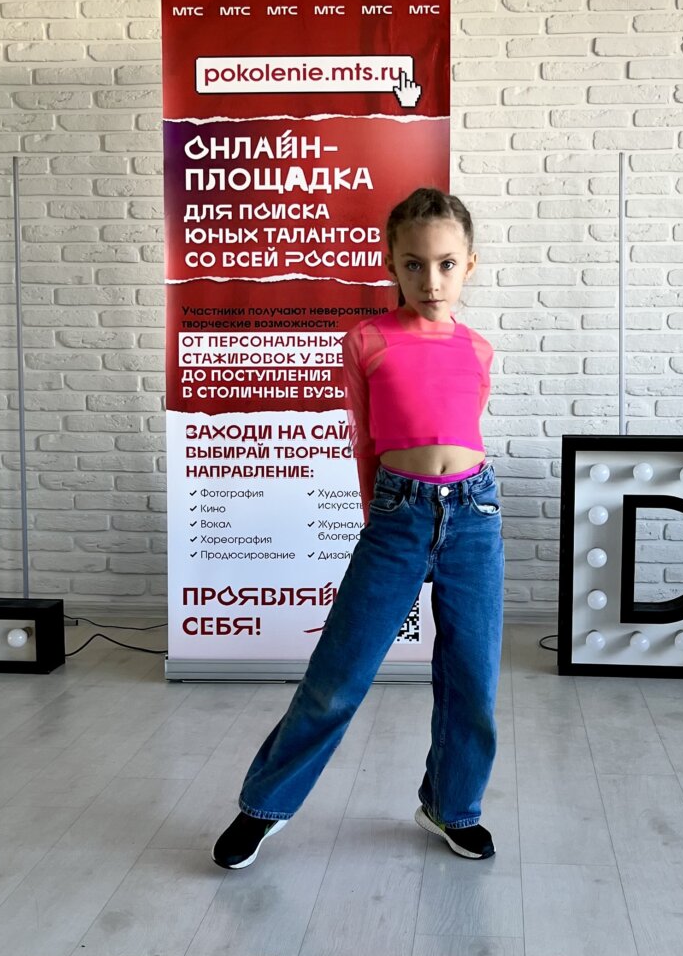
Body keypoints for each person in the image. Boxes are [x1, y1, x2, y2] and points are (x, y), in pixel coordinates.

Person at [212, 187, 504, 869]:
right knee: (338, 675)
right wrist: (385, 518)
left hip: (475, 515)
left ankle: (452, 807)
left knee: (472, 679)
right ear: (390, 263)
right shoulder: (367, 340)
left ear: (469, 265)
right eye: (413, 265)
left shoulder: (479, 349)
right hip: (398, 515)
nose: (430, 281)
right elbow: (364, 440)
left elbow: (463, 429)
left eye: (446, 264)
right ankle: (264, 807)